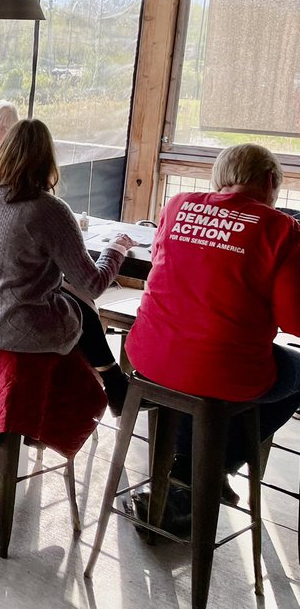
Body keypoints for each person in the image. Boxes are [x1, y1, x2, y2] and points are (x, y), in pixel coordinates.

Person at [0, 119, 134, 415]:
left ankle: (113, 380)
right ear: (48, 160)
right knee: (81, 302)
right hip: (13, 328)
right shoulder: (49, 208)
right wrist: (116, 250)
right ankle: (112, 381)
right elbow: (92, 283)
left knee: (71, 298)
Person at [127, 143, 300, 477]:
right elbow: (293, 321)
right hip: (224, 373)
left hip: (148, 358)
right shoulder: (281, 229)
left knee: (197, 378)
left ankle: (189, 473)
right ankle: (201, 474)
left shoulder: (176, 206)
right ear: (269, 180)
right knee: (244, 374)